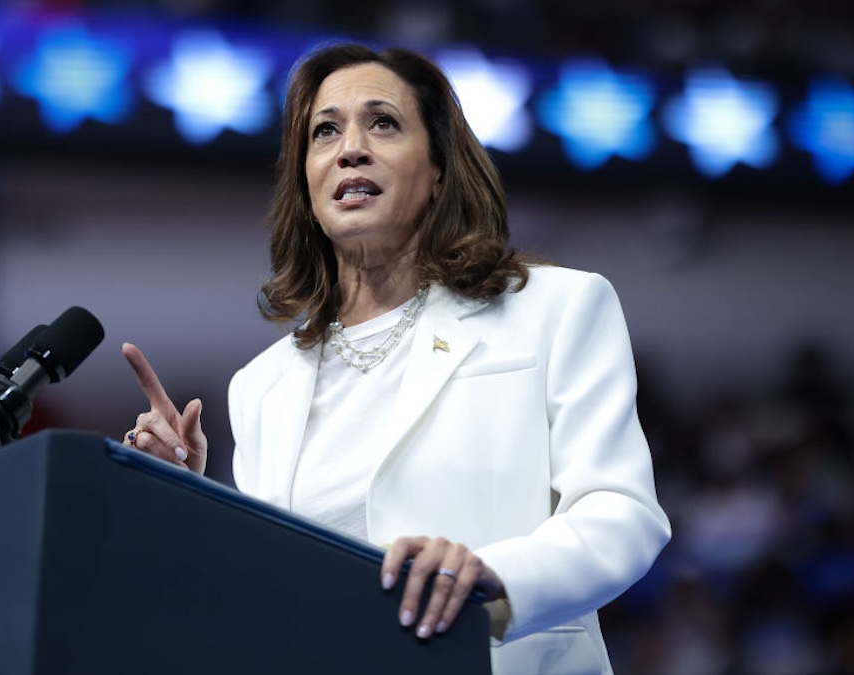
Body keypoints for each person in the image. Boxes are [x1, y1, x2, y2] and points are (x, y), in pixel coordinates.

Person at [120, 43, 671, 674]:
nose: (350, 147)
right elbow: (266, 595)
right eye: (325, 131)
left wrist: (493, 576)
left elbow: (622, 515)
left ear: (439, 169)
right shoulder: (261, 386)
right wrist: (186, 502)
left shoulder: (558, 308)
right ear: (306, 179)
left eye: (383, 122)